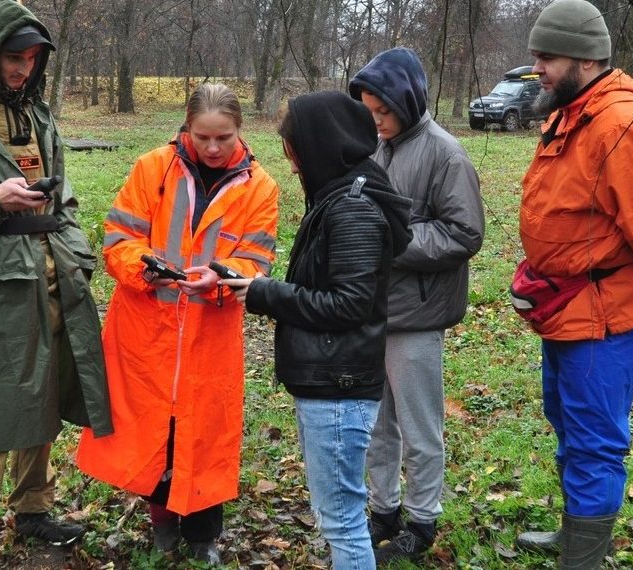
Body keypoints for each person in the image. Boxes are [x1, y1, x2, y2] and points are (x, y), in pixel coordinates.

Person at [0, 1, 114, 568]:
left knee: (48, 394)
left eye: (33, 59)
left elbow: (67, 196)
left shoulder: (36, 112)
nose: (23, 69)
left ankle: (33, 509)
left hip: (56, 273)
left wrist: (76, 254)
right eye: (14, 57)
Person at [510, 1, 633, 568]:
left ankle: (584, 560)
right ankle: (577, 537)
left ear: (584, 58)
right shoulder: (575, 109)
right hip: (565, 306)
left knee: (594, 439)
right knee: (567, 422)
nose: (537, 69)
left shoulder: (621, 124)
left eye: (546, 58)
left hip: (605, 313)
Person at [76, 83, 279, 565]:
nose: (211, 148)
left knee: (206, 431)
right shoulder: (152, 168)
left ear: (240, 133)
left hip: (210, 334)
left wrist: (220, 278)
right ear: (186, 128)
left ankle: (204, 532)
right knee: (155, 429)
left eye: (223, 138)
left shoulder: (261, 188)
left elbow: (256, 261)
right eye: (202, 136)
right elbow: (118, 238)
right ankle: (162, 519)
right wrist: (143, 266)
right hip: (147, 330)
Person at [222, 90, 411, 570]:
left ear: (320, 148)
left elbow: (349, 304)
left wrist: (265, 293)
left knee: (343, 521)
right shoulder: (340, 196)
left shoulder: (352, 209)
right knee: (338, 516)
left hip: (339, 388)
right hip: (330, 381)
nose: (292, 166)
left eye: (295, 153)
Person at [348, 48, 485, 564]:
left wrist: (390, 239)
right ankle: (384, 509)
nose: (376, 123)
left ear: (406, 100)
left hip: (417, 317)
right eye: (369, 113)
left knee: (419, 426)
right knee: (376, 424)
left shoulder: (446, 153)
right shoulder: (376, 148)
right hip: (373, 310)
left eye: (383, 112)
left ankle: (422, 521)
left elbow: (464, 232)